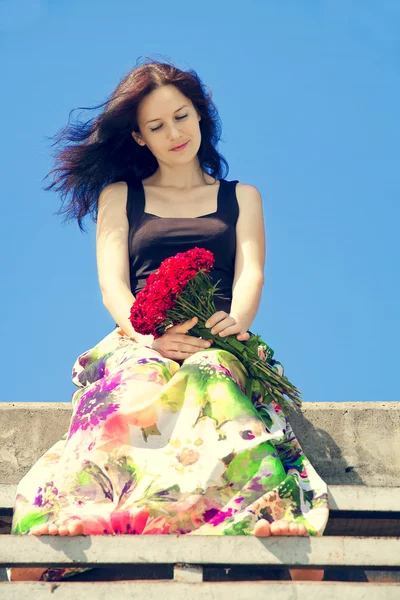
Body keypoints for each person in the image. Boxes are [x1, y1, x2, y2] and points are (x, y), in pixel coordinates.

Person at [8, 58, 328, 583]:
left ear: (201, 115)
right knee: (137, 384)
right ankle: (75, 518)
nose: (174, 133)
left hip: (218, 337)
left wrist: (231, 326)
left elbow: (251, 275)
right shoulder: (120, 197)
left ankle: (263, 514)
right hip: (140, 336)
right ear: (138, 137)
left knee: (212, 380)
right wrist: (147, 337)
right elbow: (114, 286)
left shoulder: (241, 197)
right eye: (157, 126)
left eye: (181, 117)